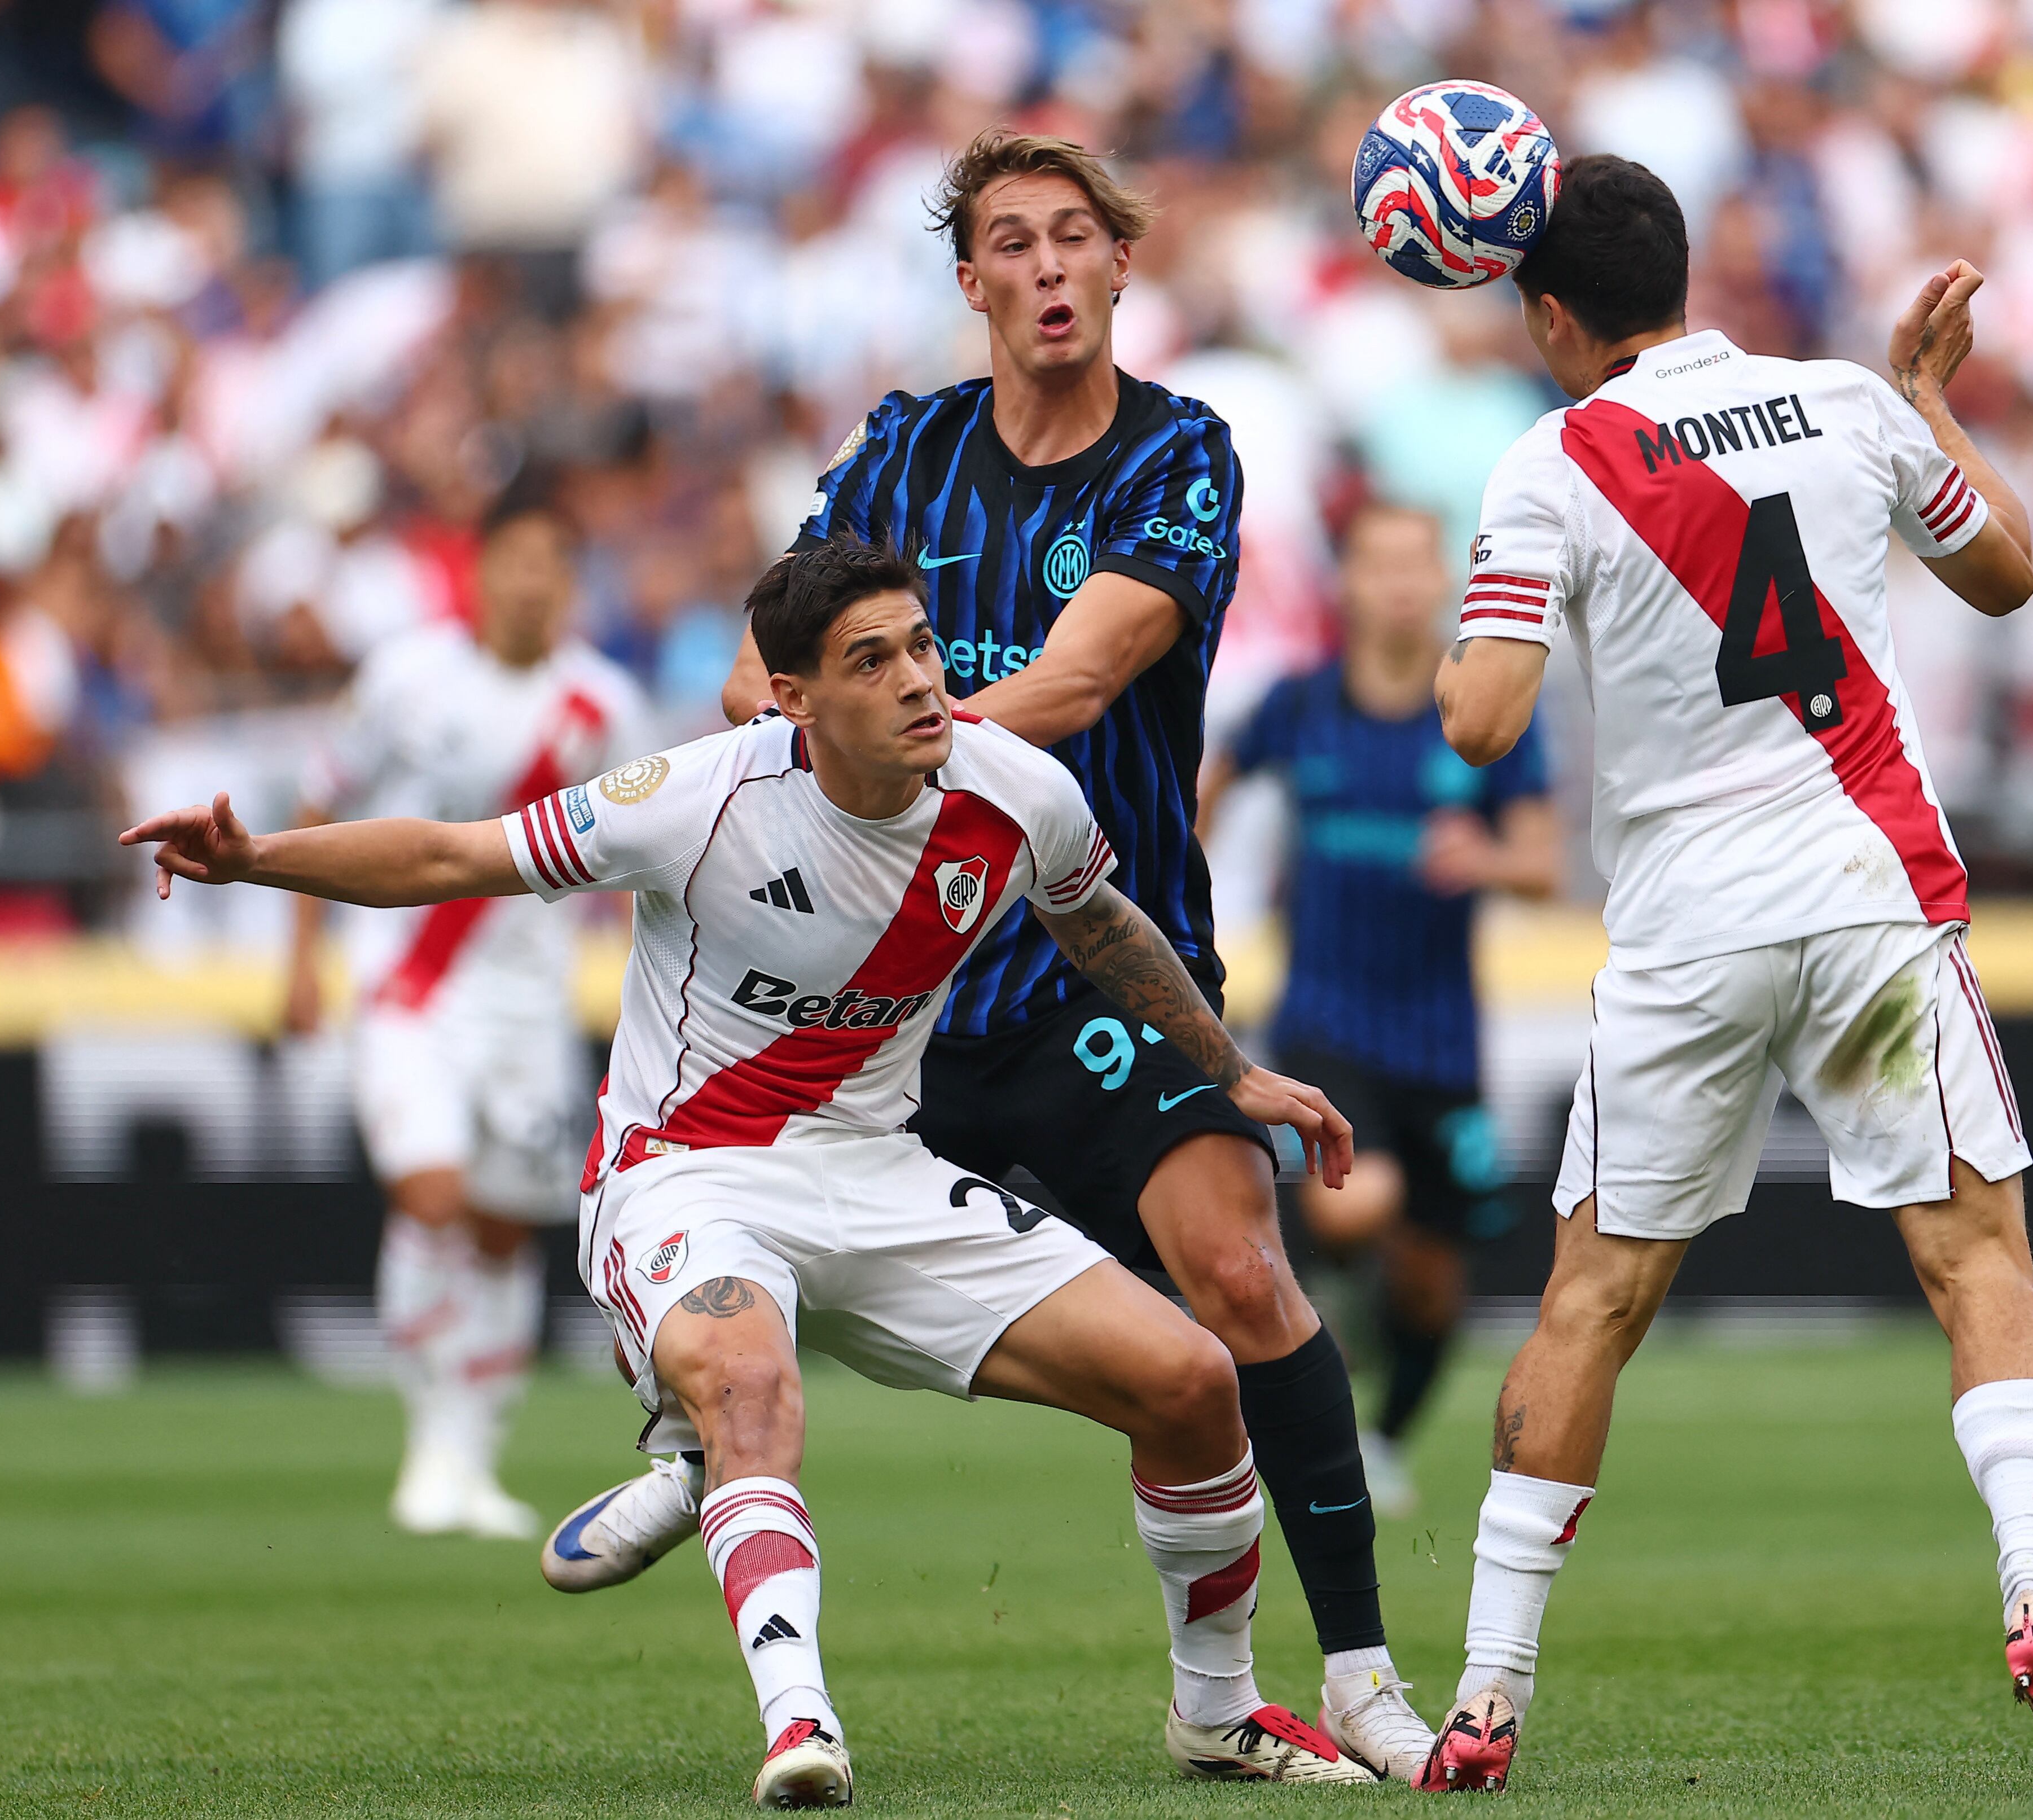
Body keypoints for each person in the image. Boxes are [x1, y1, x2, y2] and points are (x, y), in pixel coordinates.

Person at [126, 540, 1378, 1804]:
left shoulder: (1015, 788)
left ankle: (1216, 1712)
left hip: (875, 1166)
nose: (919, 681)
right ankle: (799, 1722)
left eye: (922, 645)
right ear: (792, 698)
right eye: (869, 661)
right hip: (687, 1171)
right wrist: (256, 856)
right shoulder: (696, 797)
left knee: (1191, 1380)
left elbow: (1096, 920)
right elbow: (453, 856)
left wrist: (1231, 1073)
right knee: (751, 1384)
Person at [550, 130, 1439, 1778]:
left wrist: (892, 748)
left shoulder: (1181, 452)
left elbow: (1085, 678)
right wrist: (831, 749)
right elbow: (756, 675)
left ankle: (1363, 1678)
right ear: (971, 282)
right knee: (713, 1191)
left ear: (1119, 263)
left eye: (1074, 236)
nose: (1046, 266)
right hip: (886, 993)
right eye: (1012, 243)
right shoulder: (901, 447)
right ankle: (694, 1438)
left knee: (1243, 1277)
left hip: (1095, 965)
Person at [1412, 156, 2033, 1795]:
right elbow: (2007, 571)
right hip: (1870, 896)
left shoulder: (1550, 460)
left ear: (1549, 315)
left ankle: (1483, 1694)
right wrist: (1926, 399)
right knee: (1974, 1259)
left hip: (1686, 933)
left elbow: (1480, 719)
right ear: (1682, 276)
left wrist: (1454, 633)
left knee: (1590, 1303)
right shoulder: (1841, 401)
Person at [285, 477, 649, 1539]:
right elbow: (320, 798)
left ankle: (476, 1454)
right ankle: (429, 1442)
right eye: (518, 559)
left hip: (528, 1005)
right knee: (431, 1194)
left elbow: (646, 857)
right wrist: (300, 960)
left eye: (554, 564)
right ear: (481, 568)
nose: (535, 582)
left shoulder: (603, 705)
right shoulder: (407, 677)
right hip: (409, 985)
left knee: (501, 1229)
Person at [1199, 498, 1558, 1516]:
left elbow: (1542, 863)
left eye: (1415, 563)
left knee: (1434, 1280)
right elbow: (1205, 791)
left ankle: (1385, 1437)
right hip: (1325, 1015)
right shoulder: (1299, 704)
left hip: (1439, 1035)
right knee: (1355, 1201)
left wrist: (1487, 858)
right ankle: (1332, 1324)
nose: (1399, 584)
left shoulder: (1485, 715)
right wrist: (1179, 892)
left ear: (1443, 581)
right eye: (1378, 563)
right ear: (1346, 583)